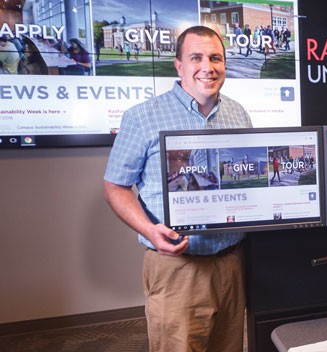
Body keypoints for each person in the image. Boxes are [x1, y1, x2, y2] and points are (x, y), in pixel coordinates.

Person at [103, 26, 252, 352]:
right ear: (178, 65)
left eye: (216, 58)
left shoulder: (238, 114)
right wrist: (149, 229)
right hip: (177, 267)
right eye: (196, 57)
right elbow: (115, 185)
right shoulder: (143, 117)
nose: (207, 67)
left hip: (233, 263)